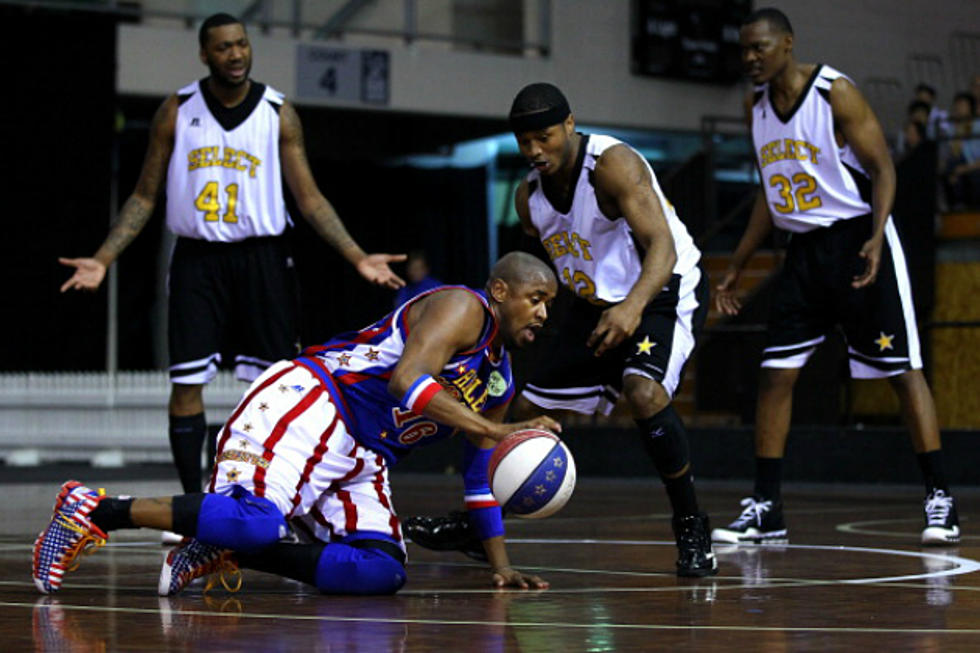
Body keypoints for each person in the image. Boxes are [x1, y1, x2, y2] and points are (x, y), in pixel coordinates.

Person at [32, 252, 561, 596]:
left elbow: (478, 480)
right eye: (536, 300)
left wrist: (502, 566)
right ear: (499, 291)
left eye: (548, 306)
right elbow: (406, 382)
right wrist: (494, 431)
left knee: (382, 570)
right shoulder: (462, 307)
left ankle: (228, 549)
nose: (542, 314)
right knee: (257, 517)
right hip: (312, 402)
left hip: (363, 454)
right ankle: (96, 509)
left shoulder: (499, 383)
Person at [58, 14, 406, 508]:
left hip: (263, 259)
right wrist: (103, 258)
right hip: (198, 259)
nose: (236, 54)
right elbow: (143, 195)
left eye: (242, 44)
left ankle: (266, 494)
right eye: (223, 47)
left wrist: (356, 256)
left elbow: (310, 200)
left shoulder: (278, 112)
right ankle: (190, 504)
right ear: (205, 54)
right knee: (185, 382)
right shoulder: (177, 111)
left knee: (278, 384)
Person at [406, 83, 718, 577]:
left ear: (569, 125)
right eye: (524, 141)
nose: (534, 151)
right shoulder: (529, 199)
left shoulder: (613, 165)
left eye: (544, 137)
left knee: (643, 390)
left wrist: (632, 306)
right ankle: (476, 524)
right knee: (521, 407)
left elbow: (663, 247)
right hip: (594, 302)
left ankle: (691, 523)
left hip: (660, 289)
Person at [712, 7, 960, 546]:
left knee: (902, 370)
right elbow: (768, 193)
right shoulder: (754, 106)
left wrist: (876, 233)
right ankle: (767, 506)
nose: (750, 58)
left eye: (759, 48)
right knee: (776, 374)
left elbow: (884, 168)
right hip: (802, 253)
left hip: (855, 237)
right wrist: (736, 264)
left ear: (787, 44)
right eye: (744, 50)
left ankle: (940, 496)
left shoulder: (833, 92)